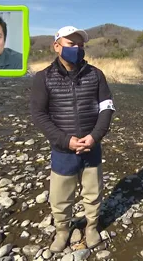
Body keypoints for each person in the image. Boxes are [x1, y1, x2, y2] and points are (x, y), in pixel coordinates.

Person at [30, 25, 115, 253]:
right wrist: (64, 140)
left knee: (93, 194)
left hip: (91, 147)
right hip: (62, 150)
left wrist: (95, 136)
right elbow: (39, 114)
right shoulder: (43, 78)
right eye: (71, 44)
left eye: (80, 45)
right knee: (60, 197)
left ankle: (91, 227)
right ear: (57, 47)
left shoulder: (96, 75)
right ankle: (62, 231)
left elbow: (107, 108)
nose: (76, 49)